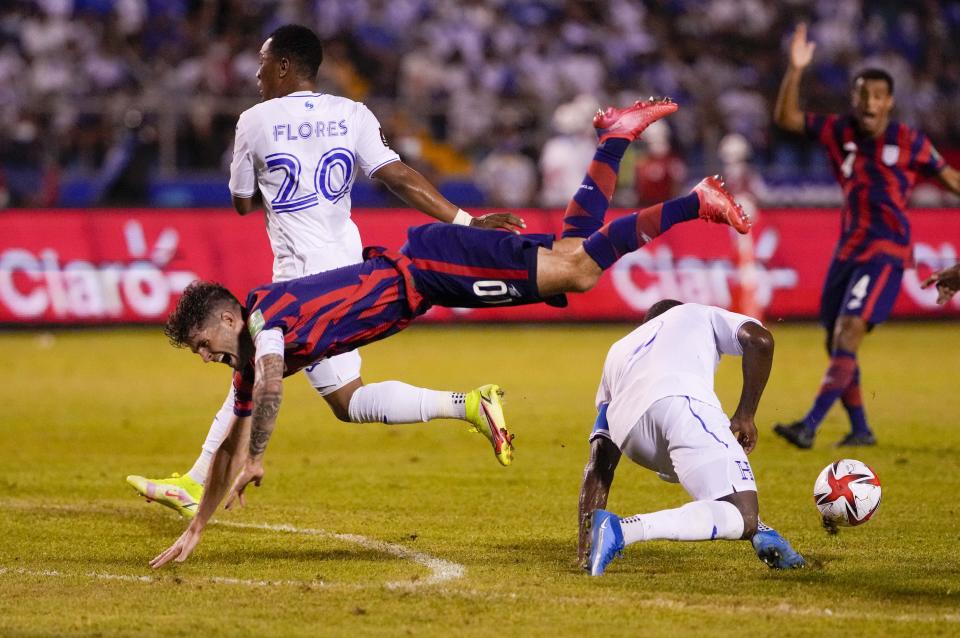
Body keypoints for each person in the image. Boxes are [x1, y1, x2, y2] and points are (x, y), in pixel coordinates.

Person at [149, 97, 753, 568]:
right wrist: (199, 525)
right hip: (430, 275)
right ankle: (617, 136)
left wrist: (258, 458)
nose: (207, 357)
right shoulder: (250, 353)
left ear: (228, 319)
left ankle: (692, 202)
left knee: (580, 270)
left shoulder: (263, 321)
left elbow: (275, 382)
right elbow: (236, 433)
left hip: (432, 270)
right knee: (574, 252)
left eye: (205, 345)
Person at [126, 24, 526, 516]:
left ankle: (195, 480)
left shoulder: (254, 120)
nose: (256, 75)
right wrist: (468, 221)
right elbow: (397, 175)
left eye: (262, 63)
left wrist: (262, 183)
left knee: (252, 372)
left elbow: (240, 203)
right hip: (350, 277)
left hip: (299, 283)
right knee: (347, 401)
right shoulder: (351, 112)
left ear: (284, 67)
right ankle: (468, 404)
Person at [771, 23, 960, 449]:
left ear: (890, 102)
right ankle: (860, 429)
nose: (870, 103)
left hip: (887, 250)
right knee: (833, 336)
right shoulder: (840, 131)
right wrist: (796, 70)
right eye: (862, 95)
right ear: (853, 99)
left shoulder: (909, 140)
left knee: (849, 330)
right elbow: (786, 118)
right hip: (848, 250)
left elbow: (951, 179)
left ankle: (809, 425)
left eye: (878, 96)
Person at [577, 300, 805, 576]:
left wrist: (585, 549)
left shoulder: (619, 350)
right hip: (680, 403)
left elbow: (599, 460)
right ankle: (623, 530)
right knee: (741, 515)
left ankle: (760, 529)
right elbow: (761, 341)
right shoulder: (694, 312)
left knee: (722, 484)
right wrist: (746, 415)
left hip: (632, 435)